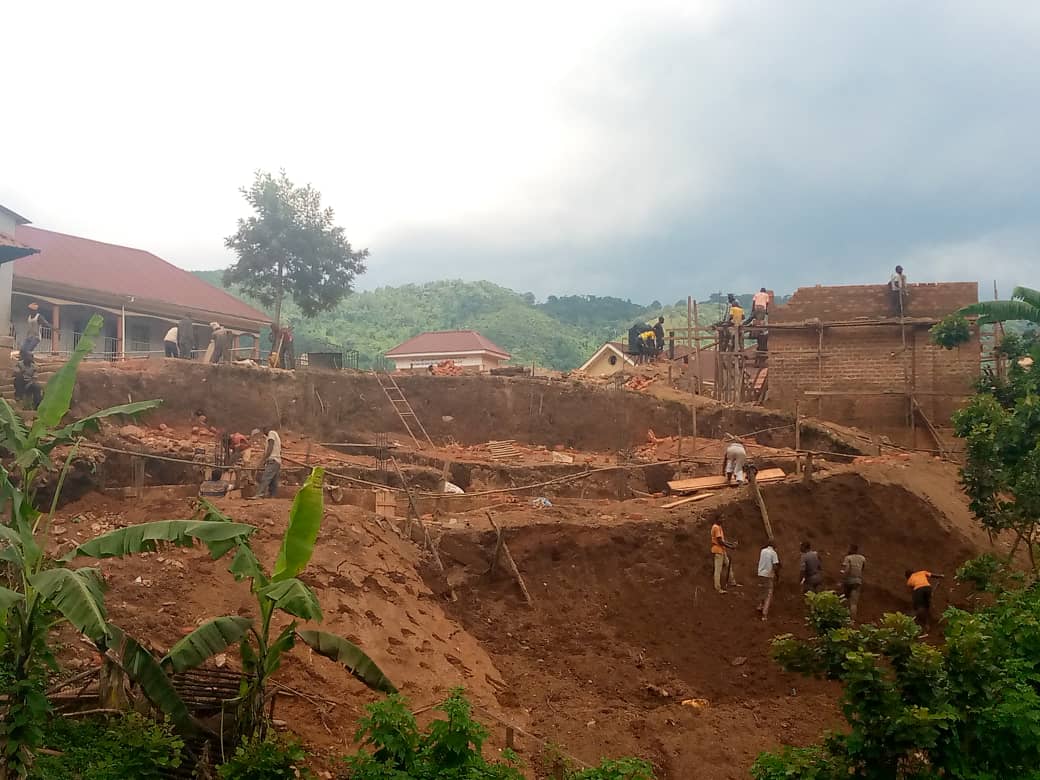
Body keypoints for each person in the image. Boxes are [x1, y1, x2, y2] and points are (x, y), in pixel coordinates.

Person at [253, 425, 282, 499]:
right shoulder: (276, 435)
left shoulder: (271, 433)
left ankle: (259, 494)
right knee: (273, 481)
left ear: (266, 429)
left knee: (265, 478)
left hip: (273, 460)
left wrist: (262, 461)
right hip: (277, 461)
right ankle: (272, 495)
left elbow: (270, 449)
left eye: (264, 431)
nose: (264, 433)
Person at [710, 519, 739, 594]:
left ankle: (732, 582)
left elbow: (723, 540)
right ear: (717, 518)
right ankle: (718, 588)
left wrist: (731, 544)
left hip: (722, 550)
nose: (723, 520)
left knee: (728, 565)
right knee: (718, 570)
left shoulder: (719, 527)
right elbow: (720, 541)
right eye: (721, 518)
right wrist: (731, 547)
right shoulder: (716, 527)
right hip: (718, 551)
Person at [840, 544, 867, 620]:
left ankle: (840, 614)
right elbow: (862, 568)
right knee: (854, 603)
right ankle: (852, 621)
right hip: (858, 581)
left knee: (845, 597)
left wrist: (843, 579)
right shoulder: (862, 558)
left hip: (848, 580)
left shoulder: (848, 558)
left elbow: (847, 569)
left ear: (851, 549)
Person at [756, 540, 781, 620]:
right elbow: (775, 566)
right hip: (768, 575)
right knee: (768, 594)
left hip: (760, 574)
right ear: (773, 546)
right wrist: (777, 575)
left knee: (762, 591)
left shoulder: (762, 551)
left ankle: (760, 605)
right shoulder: (773, 553)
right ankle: (764, 614)